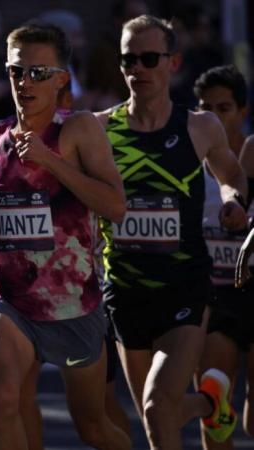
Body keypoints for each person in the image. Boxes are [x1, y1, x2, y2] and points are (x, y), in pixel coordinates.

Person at [94, 15, 248, 449]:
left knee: (158, 407)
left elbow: (231, 174)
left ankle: (204, 402)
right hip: (124, 290)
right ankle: (209, 402)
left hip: (185, 288)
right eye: (128, 60)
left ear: (173, 63)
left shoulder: (199, 127)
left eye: (147, 58)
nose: (136, 69)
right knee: (155, 421)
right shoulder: (101, 130)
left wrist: (234, 200)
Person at [0, 23, 130, 450]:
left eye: (37, 73)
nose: (24, 82)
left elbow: (115, 206)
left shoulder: (78, 129)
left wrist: (51, 160)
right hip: (10, 297)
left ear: (61, 78)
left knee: (92, 426)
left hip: (72, 303)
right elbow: (5, 203)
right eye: (15, 72)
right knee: (4, 401)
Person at [194, 64, 254, 450]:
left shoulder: (252, 153)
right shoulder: (183, 169)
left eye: (224, 108)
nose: (213, 118)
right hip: (214, 298)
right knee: (214, 412)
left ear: (242, 112)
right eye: (205, 108)